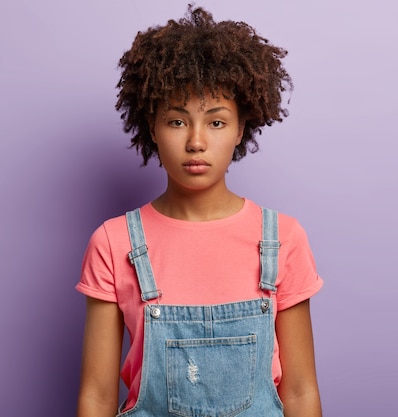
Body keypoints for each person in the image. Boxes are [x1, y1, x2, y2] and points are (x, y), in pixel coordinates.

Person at [76, 6, 323, 417]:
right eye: (176, 121)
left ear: (241, 128)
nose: (195, 142)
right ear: (151, 127)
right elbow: (97, 397)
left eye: (216, 122)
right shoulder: (114, 242)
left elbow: (299, 392)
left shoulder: (282, 239)